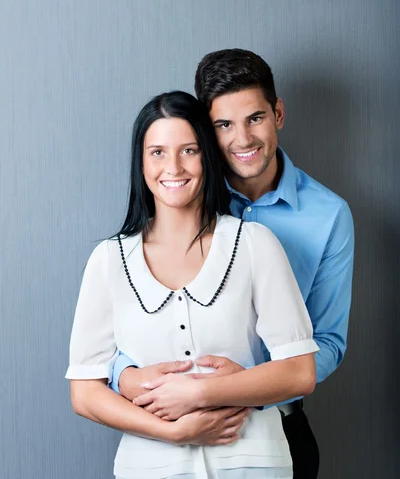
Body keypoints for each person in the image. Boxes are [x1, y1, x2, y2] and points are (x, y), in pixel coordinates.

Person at [112, 50, 354, 479]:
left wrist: (242, 388)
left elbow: (328, 341)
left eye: (255, 118)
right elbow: (130, 308)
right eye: (223, 124)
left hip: (277, 428)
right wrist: (127, 377)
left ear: (277, 113)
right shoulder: (180, 193)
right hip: (169, 429)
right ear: (207, 130)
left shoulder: (329, 215)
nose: (242, 139)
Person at [66, 90, 319, 479]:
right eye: (157, 152)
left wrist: (199, 392)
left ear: (208, 156)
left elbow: (300, 372)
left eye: (189, 150)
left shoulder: (255, 244)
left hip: (253, 462)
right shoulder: (108, 261)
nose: (173, 167)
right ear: (141, 162)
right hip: (149, 466)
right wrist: (172, 431)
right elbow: (85, 393)